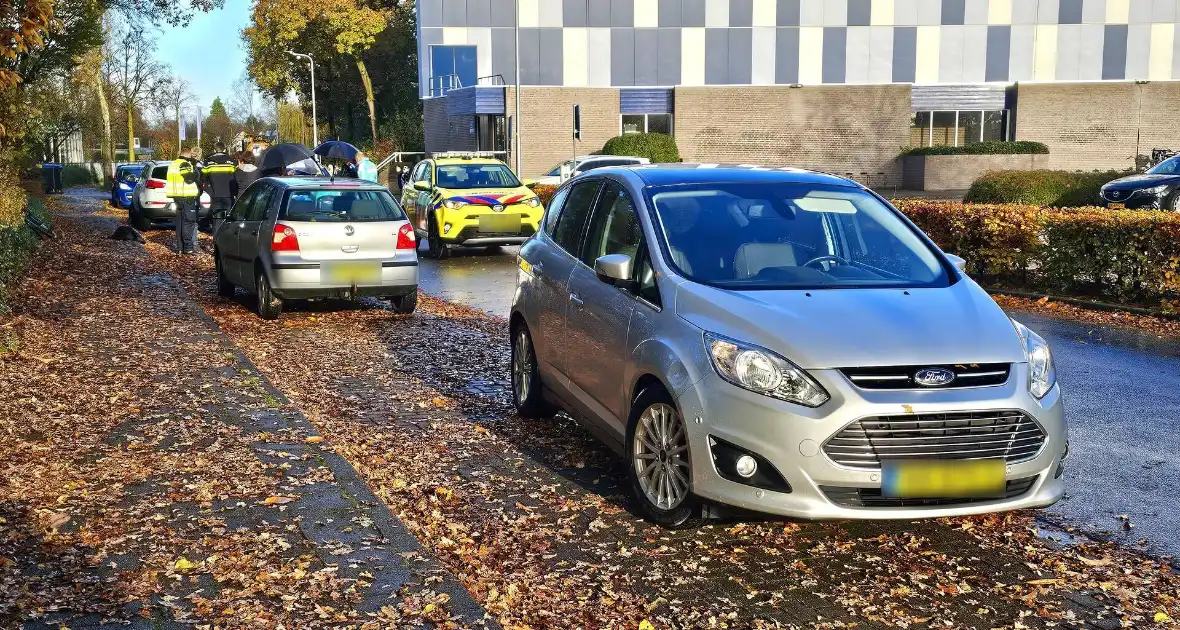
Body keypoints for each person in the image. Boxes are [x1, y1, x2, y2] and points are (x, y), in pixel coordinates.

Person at [166, 146, 201, 254]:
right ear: (188, 155)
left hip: (176, 197)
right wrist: (194, 167)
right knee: (189, 222)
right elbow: (190, 179)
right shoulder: (186, 164)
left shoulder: (172, 164)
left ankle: (180, 247)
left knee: (180, 222)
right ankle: (188, 247)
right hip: (187, 196)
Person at [200, 141, 236, 233]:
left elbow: (203, 178)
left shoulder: (208, 162)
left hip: (215, 194)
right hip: (229, 194)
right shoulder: (231, 161)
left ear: (215, 149)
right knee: (228, 218)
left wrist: (209, 190)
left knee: (216, 218)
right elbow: (236, 177)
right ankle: (227, 238)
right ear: (224, 149)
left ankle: (216, 239)